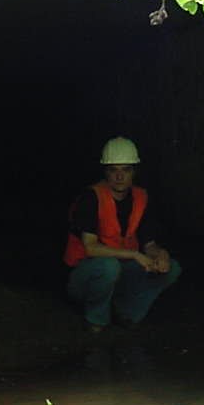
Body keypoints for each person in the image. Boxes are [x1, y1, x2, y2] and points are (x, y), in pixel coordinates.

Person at [63, 136, 182, 331]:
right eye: (113, 170)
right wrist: (134, 255)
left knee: (172, 268)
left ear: (134, 172)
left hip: (120, 271)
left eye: (125, 170)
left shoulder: (141, 198)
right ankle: (96, 319)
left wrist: (160, 255)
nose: (120, 176)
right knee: (108, 267)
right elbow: (91, 248)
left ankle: (126, 312)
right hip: (86, 276)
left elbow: (149, 244)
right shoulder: (91, 198)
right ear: (105, 172)